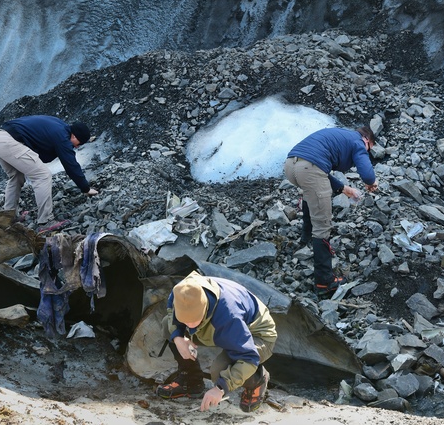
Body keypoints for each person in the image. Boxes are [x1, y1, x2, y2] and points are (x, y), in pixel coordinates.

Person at [155, 272, 277, 414]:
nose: (189, 325)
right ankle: (191, 380)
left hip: (257, 336)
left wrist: (220, 388)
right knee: (168, 326)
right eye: (185, 320)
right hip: (216, 328)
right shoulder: (181, 292)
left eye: (193, 320)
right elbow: (172, 315)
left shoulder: (229, 316)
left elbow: (249, 356)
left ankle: (257, 380)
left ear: (204, 307)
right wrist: (178, 337)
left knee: (218, 371)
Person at [284, 126, 379, 298]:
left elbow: (320, 174)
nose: (367, 151)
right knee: (322, 225)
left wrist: (345, 189)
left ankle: (306, 238)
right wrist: (371, 183)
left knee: (310, 195)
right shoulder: (358, 141)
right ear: (367, 140)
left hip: (291, 165)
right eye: (369, 148)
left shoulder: (341, 136)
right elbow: (367, 174)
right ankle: (324, 282)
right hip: (309, 169)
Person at [0, 115, 99, 227]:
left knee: (16, 177)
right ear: (74, 136)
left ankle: (8, 218)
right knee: (43, 176)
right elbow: (71, 165)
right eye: (79, 144)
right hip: (9, 142)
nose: (76, 147)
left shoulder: (58, 126)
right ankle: (46, 221)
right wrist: (85, 188)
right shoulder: (62, 136)